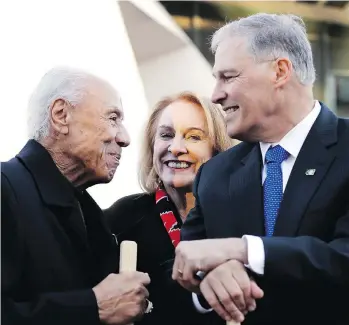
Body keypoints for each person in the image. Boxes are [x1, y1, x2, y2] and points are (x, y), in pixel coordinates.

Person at [171, 13, 349, 325]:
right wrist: (208, 280)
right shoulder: (214, 175)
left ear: (280, 71)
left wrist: (243, 250)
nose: (215, 95)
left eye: (228, 76)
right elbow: (187, 261)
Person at [1, 67, 152, 325]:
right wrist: (93, 307)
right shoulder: (5, 189)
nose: (125, 138)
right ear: (61, 115)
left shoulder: (91, 215)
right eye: (113, 118)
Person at [104, 92, 235, 325]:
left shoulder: (241, 215)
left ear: (217, 149)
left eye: (194, 137)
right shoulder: (121, 220)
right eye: (166, 135)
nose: (175, 148)